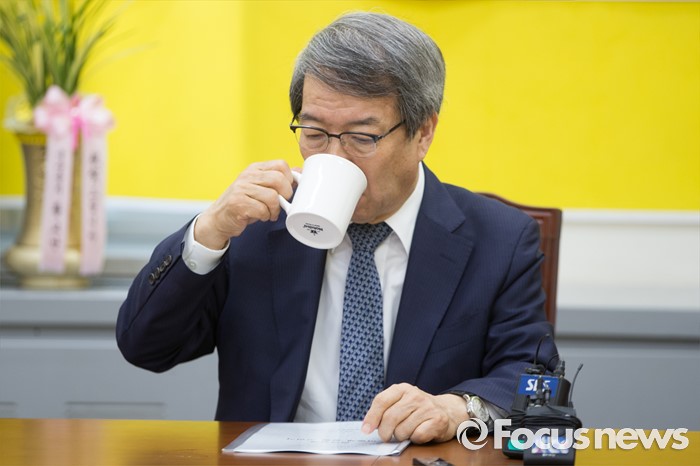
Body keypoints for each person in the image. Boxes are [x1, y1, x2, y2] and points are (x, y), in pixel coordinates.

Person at [117, 11, 557, 444]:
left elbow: (534, 380)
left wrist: (457, 408)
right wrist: (209, 232)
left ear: (423, 133)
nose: (334, 156)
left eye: (362, 137)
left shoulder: (498, 240)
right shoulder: (255, 226)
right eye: (314, 133)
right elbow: (146, 347)